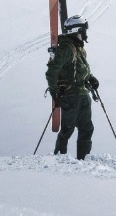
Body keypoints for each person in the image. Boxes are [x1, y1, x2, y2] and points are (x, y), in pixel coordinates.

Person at [46, 15, 99, 159]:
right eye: (83, 31)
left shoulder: (79, 48)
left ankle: (83, 160)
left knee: (87, 129)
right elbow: (52, 71)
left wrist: (91, 78)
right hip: (71, 96)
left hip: (83, 94)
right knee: (67, 129)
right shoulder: (67, 49)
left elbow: (81, 69)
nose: (85, 34)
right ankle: (59, 159)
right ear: (77, 31)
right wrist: (54, 92)